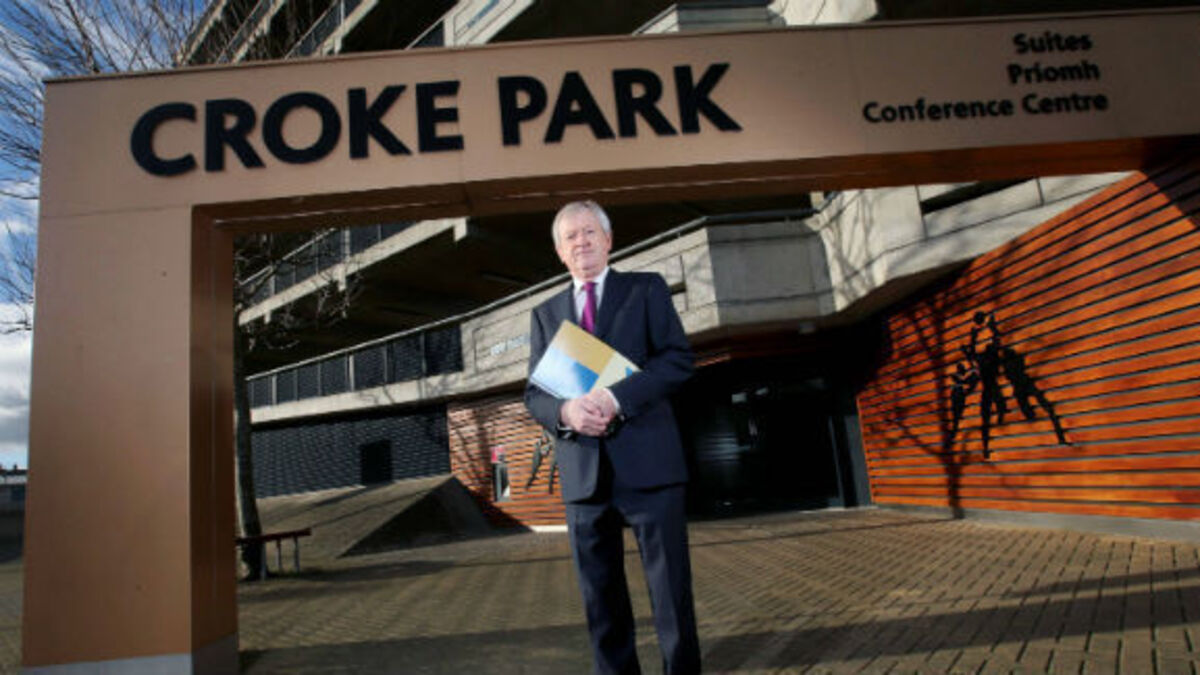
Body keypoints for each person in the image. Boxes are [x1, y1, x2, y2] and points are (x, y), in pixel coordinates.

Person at [524, 200, 701, 674]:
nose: (580, 242)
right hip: (584, 476)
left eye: (589, 232)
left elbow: (677, 360)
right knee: (600, 604)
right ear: (560, 252)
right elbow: (534, 396)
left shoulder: (646, 289)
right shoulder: (545, 315)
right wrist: (566, 411)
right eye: (570, 236)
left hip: (651, 467)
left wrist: (615, 397)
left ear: (608, 239)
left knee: (670, 595)